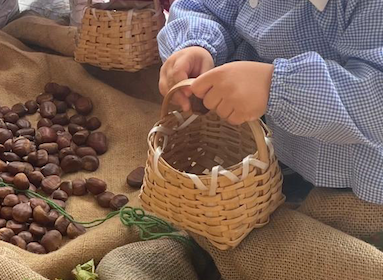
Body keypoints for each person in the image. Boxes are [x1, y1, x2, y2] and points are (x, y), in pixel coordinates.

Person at [157, 0, 383, 204]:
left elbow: (374, 97)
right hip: (258, 148)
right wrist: (197, 45)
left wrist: (274, 85)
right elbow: (204, 8)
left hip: (347, 173)